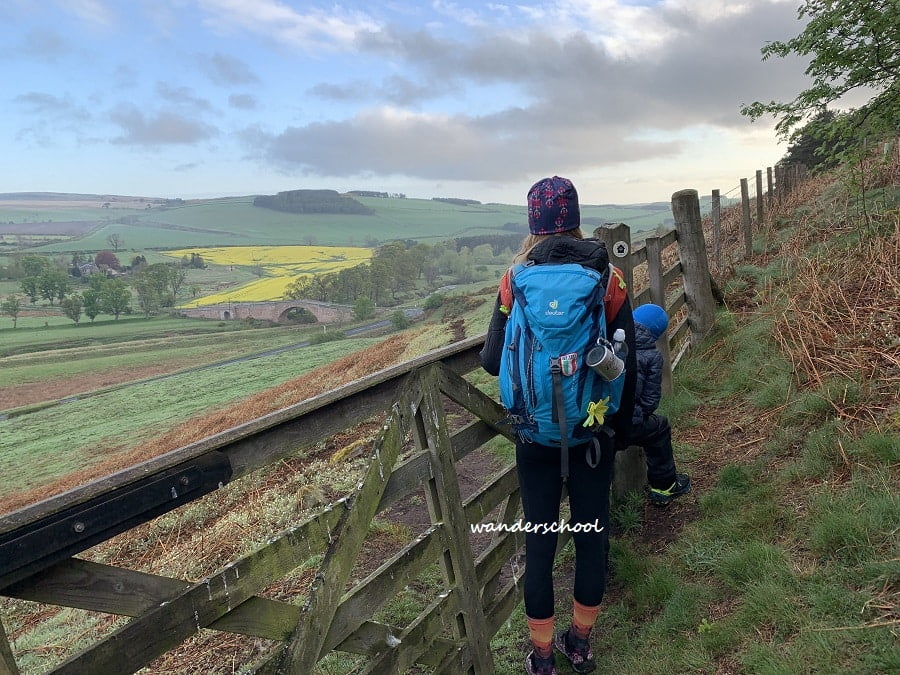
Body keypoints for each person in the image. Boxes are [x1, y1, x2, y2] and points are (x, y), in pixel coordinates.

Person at [480, 176, 637, 675]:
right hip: (591, 436)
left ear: (533, 225)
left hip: (535, 437)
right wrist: (621, 429)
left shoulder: (514, 279)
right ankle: (581, 644)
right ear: (575, 218)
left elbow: (489, 360)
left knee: (540, 542)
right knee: (592, 539)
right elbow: (623, 362)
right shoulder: (608, 278)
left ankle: (543, 656)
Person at [630, 303, 691, 504]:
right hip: (626, 425)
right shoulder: (652, 356)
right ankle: (664, 487)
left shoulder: (609, 341)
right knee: (659, 427)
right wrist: (639, 414)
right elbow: (650, 401)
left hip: (594, 421)